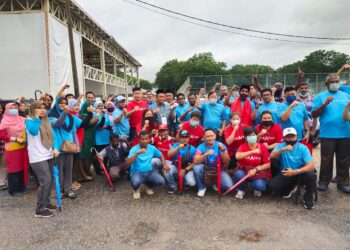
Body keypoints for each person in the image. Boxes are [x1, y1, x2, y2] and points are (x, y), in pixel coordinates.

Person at [312, 73, 350, 193]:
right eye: (332, 82)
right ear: (327, 84)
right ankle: (324, 181)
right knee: (326, 159)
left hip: (345, 133)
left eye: (336, 81)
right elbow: (314, 114)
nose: (334, 83)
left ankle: (343, 181)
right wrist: (324, 104)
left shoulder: (346, 95)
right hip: (327, 134)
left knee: (344, 159)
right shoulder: (320, 96)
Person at [49, 97, 90, 199]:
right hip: (58, 148)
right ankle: (61, 190)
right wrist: (65, 113)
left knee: (69, 170)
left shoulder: (71, 117)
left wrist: (90, 114)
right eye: (61, 103)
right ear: (56, 104)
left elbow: (77, 129)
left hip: (70, 148)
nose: (63, 105)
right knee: (59, 171)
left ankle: (68, 189)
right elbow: (57, 124)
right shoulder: (52, 115)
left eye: (65, 103)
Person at [268, 127, 316, 209]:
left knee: (311, 174)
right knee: (271, 186)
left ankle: (308, 196)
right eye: (288, 136)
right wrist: (282, 150)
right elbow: (271, 156)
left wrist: (295, 171)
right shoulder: (281, 145)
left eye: (292, 136)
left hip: (300, 172)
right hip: (287, 173)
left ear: (296, 136)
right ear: (284, 138)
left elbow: (311, 165)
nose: (290, 138)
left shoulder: (303, 148)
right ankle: (291, 187)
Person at [26, 101, 59, 218]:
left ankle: (46, 202)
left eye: (44, 108)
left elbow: (52, 136)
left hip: (48, 154)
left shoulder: (46, 121)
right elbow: (33, 131)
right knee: (45, 181)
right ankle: (39, 209)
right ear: (33, 109)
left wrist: (55, 147)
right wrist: (36, 117)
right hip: (37, 157)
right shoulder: (30, 121)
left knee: (49, 181)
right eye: (39, 108)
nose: (42, 110)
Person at [126, 131, 167, 199]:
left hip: (149, 171)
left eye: (146, 139)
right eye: (142, 139)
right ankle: (136, 190)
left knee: (161, 182)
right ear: (139, 139)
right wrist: (136, 154)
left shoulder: (152, 148)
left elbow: (161, 155)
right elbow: (128, 162)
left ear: (149, 139)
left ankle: (148, 185)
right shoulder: (134, 149)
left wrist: (164, 165)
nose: (144, 141)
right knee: (135, 183)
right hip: (137, 172)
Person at [193, 129, 233, 197]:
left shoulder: (221, 145)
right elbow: (195, 161)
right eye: (207, 136)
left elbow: (226, 162)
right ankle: (202, 188)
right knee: (196, 168)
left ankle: (216, 183)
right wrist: (205, 154)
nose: (210, 138)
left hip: (219, 170)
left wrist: (223, 150)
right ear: (204, 137)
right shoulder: (201, 146)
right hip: (206, 168)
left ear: (215, 136)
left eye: (211, 136)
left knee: (229, 186)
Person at [233, 127, 271, 199]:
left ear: (257, 136)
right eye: (249, 136)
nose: (251, 137)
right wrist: (252, 151)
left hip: (258, 171)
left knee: (259, 186)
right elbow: (237, 156)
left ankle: (255, 187)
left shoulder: (262, 147)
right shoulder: (243, 146)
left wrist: (255, 170)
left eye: (253, 135)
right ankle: (241, 189)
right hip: (245, 171)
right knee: (238, 174)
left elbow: (268, 164)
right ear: (245, 137)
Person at [0, 103, 28, 196]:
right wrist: (16, 139)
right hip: (12, 148)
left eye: (15, 107)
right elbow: (3, 136)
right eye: (11, 108)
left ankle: (22, 186)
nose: (14, 109)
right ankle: (13, 189)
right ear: (7, 109)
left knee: (22, 168)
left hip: (23, 147)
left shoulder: (22, 119)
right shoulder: (4, 121)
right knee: (13, 169)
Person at [92, 100, 111, 176]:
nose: (100, 107)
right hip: (98, 138)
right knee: (98, 155)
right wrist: (102, 116)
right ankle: (97, 170)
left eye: (101, 106)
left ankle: (105, 169)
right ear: (95, 107)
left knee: (105, 155)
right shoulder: (95, 115)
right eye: (98, 106)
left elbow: (109, 125)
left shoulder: (106, 114)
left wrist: (105, 127)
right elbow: (99, 126)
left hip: (106, 137)